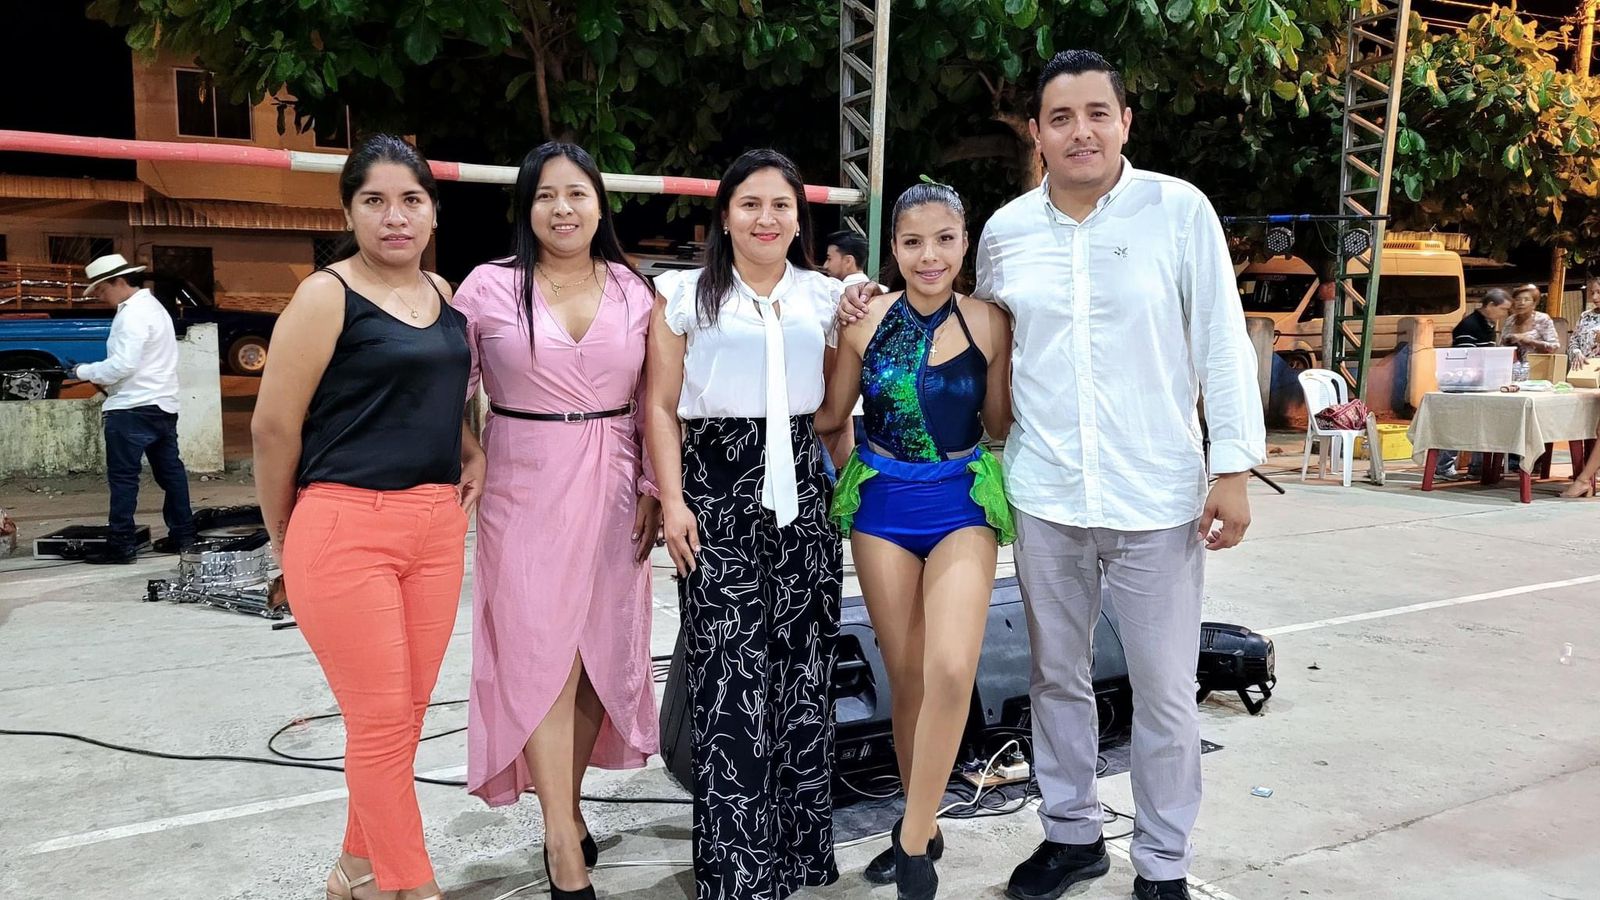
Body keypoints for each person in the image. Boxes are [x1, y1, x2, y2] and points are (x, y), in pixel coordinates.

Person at [840, 49, 1265, 900]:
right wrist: (860, 299)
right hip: (1046, 492)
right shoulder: (1006, 232)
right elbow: (969, 323)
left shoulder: (1178, 212)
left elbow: (1222, 340)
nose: (1081, 132)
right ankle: (1072, 835)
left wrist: (1233, 467)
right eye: (1061, 118)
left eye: (1097, 113)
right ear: (1036, 132)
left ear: (1125, 122)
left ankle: (1163, 864)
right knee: (1056, 680)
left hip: (1155, 495)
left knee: (1164, 691)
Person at [252, 134, 484, 900]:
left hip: (436, 525)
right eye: (374, 201)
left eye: (411, 200)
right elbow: (273, 428)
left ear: (433, 211)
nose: (395, 217)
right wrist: (284, 536)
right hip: (344, 523)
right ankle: (412, 885)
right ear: (348, 212)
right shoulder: (327, 296)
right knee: (381, 722)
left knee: (405, 718)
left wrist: (471, 449)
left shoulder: (443, 292)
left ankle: (355, 868)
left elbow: (438, 394)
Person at [455, 142, 661, 900]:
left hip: (614, 486)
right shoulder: (487, 288)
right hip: (523, 485)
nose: (562, 208)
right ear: (526, 207)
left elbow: (656, 401)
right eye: (546, 195)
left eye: (577, 193)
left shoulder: (635, 292)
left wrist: (653, 484)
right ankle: (561, 844)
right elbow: (447, 385)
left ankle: (565, 813)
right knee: (538, 658)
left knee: (597, 659)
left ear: (600, 205)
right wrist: (468, 447)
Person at [644, 148, 844, 900]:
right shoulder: (683, 296)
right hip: (714, 487)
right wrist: (673, 501)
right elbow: (658, 406)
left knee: (802, 670)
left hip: (801, 490)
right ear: (724, 216)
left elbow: (834, 408)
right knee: (728, 676)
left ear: (799, 218)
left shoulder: (825, 297)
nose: (767, 218)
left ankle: (797, 854)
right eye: (750, 204)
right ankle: (737, 870)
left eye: (781, 205)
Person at [814, 182, 1013, 900]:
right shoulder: (862, 319)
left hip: (961, 502)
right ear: (892, 248)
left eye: (944, 240)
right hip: (883, 509)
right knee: (908, 679)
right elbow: (831, 414)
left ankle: (912, 844)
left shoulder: (991, 321)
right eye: (912, 242)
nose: (930, 256)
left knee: (953, 669)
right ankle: (920, 821)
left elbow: (999, 423)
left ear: (965, 243)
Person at [71, 253, 197, 564]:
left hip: (131, 408)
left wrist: (83, 371)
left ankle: (121, 544)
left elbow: (122, 365)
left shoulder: (132, 315)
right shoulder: (154, 308)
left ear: (118, 281)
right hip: (162, 405)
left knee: (124, 478)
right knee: (171, 474)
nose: (100, 297)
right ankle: (184, 536)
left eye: (102, 290)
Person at [1433, 289, 1513, 480]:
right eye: (1503, 309)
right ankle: (1444, 467)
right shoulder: (1470, 325)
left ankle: (1477, 467)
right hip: (1463, 385)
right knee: (1458, 426)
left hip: (1481, 384)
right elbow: (1467, 358)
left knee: (1480, 425)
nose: (1504, 314)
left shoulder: (1488, 324)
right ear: (1491, 305)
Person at [820, 230, 873, 467]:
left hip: (839, 412)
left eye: (829, 258)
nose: (825, 265)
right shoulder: (888, 295)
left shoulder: (828, 296)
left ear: (848, 260)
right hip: (876, 412)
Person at [1502, 283, 1560, 366]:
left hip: (1537, 366)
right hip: (1511, 366)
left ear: (1534, 304)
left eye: (1526, 300)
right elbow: (1501, 344)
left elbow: (1554, 346)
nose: (1522, 303)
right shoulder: (1510, 320)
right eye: (1518, 299)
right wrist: (1509, 340)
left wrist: (1529, 341)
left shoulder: (1542, 319)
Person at [1567, 274, 1600, 367]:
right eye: (1592, 293)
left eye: (1599, 292)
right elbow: (1573, 342)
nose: (1594, 297)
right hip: (1583, 369)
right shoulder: (1585, 316)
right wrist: (1576, 353)